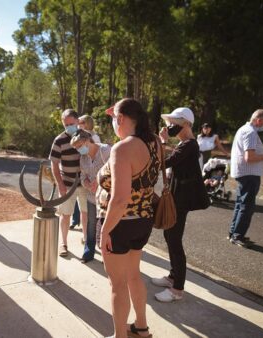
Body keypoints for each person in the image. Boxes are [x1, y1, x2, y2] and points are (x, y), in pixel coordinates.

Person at [97, 98, 160, 338]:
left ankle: (119, 336)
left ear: (121, 119)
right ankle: (141, 328)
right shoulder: (152, 142)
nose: (113, 122)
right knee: (134, 275)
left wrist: (104, 232)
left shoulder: (122, 148)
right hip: (143, 220)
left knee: (117, 284)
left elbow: (120, 199)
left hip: (119, 224)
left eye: (114, 118)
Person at [151, 107, 206, 303]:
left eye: (176, 122)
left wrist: (163, 142)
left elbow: (164, 163)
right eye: (171, 122)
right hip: (177, 197)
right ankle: (173, 277)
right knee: (169, 235)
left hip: (182, 200)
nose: (171, 126)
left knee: (174, 240)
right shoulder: (185, 144)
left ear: (188, 124)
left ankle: (177, 289)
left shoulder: (189, 145)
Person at [228, 109, 263, 247]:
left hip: (244, 172)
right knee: (246, 206)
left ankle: (234, 233)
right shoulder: (250, 133)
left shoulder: (244, 129)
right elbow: (249, 157)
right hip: (249, 173)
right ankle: (238, 236)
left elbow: (250, 154)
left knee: (240, 204)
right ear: (259, 120)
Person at [49, 109, 87, 257]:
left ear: (78, 121)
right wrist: (60, 184)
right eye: (66, 124)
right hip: (67, 182)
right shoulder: (59, 140)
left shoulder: (86, 137)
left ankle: (86, 239)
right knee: (65, 215)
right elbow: (54, 163)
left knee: (86, 213)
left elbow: (93, 156)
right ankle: (63, 244)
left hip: (85, 183)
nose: (69, 127)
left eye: (72, 123)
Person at [70, 129, 111, 263]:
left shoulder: (105, 151)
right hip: (91, 198)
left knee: (108, 227)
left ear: (87, 141)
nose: (78, 150)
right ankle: (88, 252)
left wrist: (100, 183)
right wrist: (87, 183)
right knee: (91, 225)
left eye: (79, 146)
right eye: (76, 148)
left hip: (107, 199)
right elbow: (82, 176)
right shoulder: (83, 158)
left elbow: (116, 171)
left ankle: (110, 255)